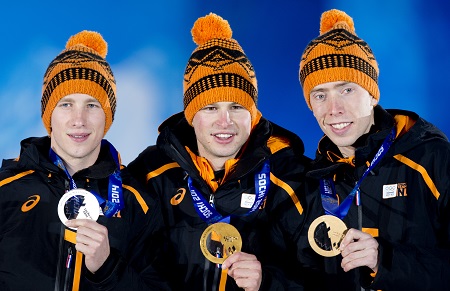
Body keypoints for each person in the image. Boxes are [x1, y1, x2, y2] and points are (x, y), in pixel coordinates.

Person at [128, 12, 314, 290]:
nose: (224, 122)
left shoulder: (293, 178)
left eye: (236, 107)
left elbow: (325, 279)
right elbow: (123, 269)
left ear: (252, 114)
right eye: (211, 108)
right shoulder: (151, 173)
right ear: (191, 115)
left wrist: (268, 282)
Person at [0, 30, 167, 290]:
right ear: (48, 113)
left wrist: (107, 267)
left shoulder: (138, 202)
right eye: (66, 104)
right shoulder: (5, 188)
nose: (79, 120)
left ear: (107, 116)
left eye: (92, 105)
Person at [298, 9, 450, 291]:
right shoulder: (312, 180)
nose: (334, 109)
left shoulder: (432, 158)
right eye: (320, 95)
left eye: (346, 90)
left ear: (372, 94)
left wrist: (386, 260)